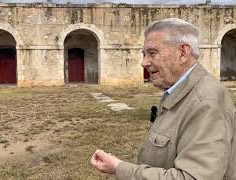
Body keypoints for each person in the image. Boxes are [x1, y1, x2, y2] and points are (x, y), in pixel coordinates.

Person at [91, 18, 236, 180]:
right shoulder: (179, 91)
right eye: (144, 54)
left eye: (152, 53)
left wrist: (119, 168)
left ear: (183, 53)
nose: (144, 62)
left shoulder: (206, 102)